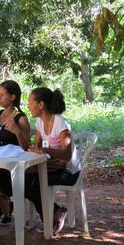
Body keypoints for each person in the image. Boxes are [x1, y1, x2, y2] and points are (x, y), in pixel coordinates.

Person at [25, 87, 80, 234]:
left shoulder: (60, 123)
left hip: (69, 171)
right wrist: (35, 149)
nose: (28, 106)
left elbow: (67, 155)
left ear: (41, 104)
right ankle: (55, 212)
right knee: (25, 180)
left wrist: (46, 150)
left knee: (32, 182)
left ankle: (51, 218)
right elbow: (36, 146)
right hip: (53, 167)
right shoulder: (40, 123)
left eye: (30, 103)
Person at [0, 80, 31, 225]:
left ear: (13, 97)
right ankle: (4, 203)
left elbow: (27, 147)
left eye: (2, 95)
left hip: (11, 163)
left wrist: (17, 132)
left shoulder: (21, 118)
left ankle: (5, 206)